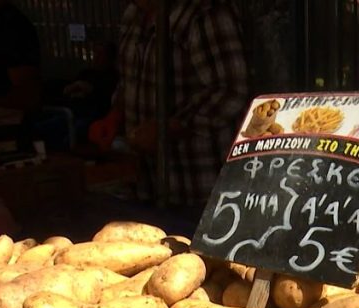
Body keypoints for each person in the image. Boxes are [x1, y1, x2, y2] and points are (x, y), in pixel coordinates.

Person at [90, 0, 249, 210]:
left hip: (198, 186)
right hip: (146, 185)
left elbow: (231, 91)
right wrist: (115, 116)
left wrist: (168, 129)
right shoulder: (133, 14)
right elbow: (129, 80)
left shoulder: (206, 14)